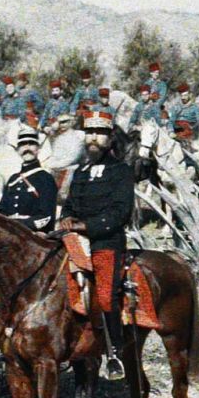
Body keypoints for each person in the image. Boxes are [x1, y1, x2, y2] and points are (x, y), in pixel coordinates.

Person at [55, 111, 138, 379]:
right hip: (76, 241)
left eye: (99, 133)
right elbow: (69, 204)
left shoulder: (121, 171)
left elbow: (120, 212)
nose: (93, 138)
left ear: (110, 137)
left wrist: (86, 226)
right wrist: (67, 218)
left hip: (106, 240)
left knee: (105, 296)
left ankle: (114, 353)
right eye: (89, 133)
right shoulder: (80, 171)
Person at [0, 129, 59, 231]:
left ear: (38, 149)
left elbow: (46, 216)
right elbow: (1, 210)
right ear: (18, 150)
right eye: (23, 144)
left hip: (33, 234)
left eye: (32, 144)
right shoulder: (13, 179)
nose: (27, 148)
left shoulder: (45, 178)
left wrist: (15, 224)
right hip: (9, 232)